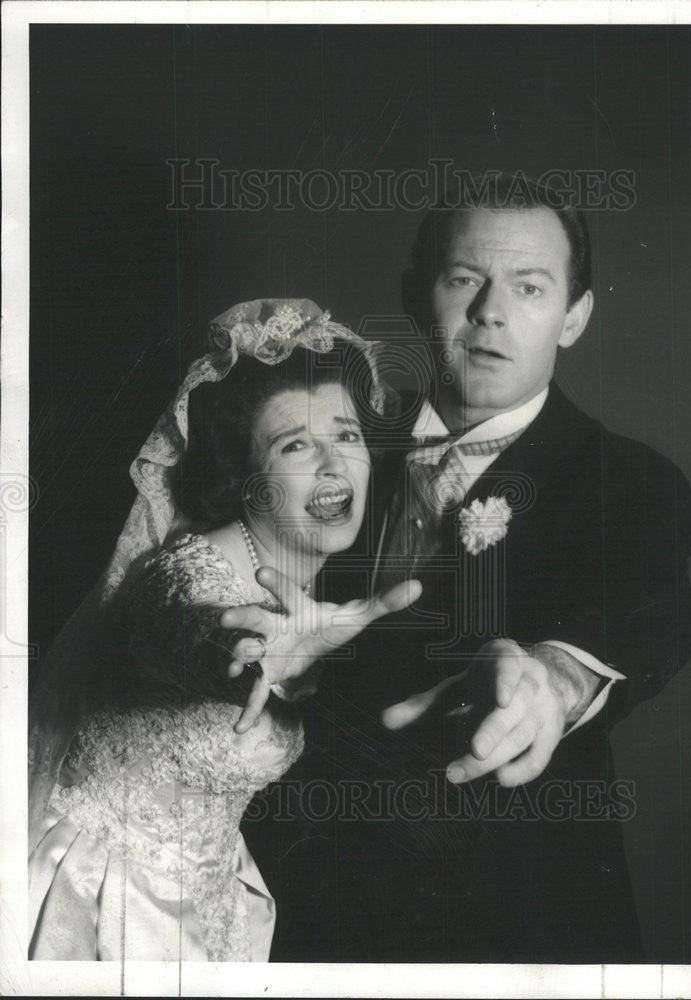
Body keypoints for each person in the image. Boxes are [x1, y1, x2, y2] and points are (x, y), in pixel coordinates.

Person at [225, 176, 691, 963]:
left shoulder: (626, 479)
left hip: (512, 927)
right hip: (297, 912)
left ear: (574, 317)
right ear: (417, 297)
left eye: (529, 286)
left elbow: (648, 599)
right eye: (464, 279)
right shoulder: (321, 438)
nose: (491, 311)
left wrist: (554, 678)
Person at [27, 298, 420, 962]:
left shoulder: (309, 591)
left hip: (214, 907)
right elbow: (178, 631)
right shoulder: (180, 572)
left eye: (347, 435)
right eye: (296, 444)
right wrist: (235, 655)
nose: (332, 463)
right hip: (101, 910)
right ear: (246, 478)